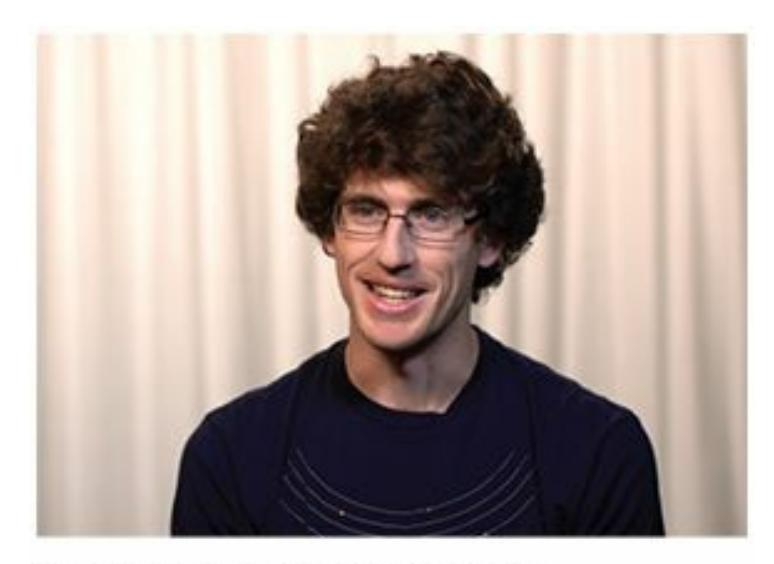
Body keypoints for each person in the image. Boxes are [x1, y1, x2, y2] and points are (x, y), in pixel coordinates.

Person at [171, 51, 664, 536]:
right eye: (366, 210)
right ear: (330, 231)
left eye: (432, 214)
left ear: (490, 239)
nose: (392, 254)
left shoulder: (596, 453)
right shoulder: (232, 458)